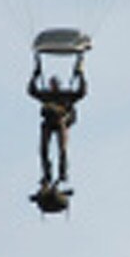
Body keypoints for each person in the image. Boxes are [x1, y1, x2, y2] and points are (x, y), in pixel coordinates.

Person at [27, 55, 87, 185]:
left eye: (55, 84)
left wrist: (80, 75)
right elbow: (32, 91)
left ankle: (62, 173)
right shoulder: (46, 95)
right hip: (48, 123)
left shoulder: (66, 95)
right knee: (43, 150)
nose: (53, 86)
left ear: (59, 85)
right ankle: (47, 174)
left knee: (63, 149)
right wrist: (35, 74)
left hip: (61, 122)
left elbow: (82, 92)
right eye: (51, 84)